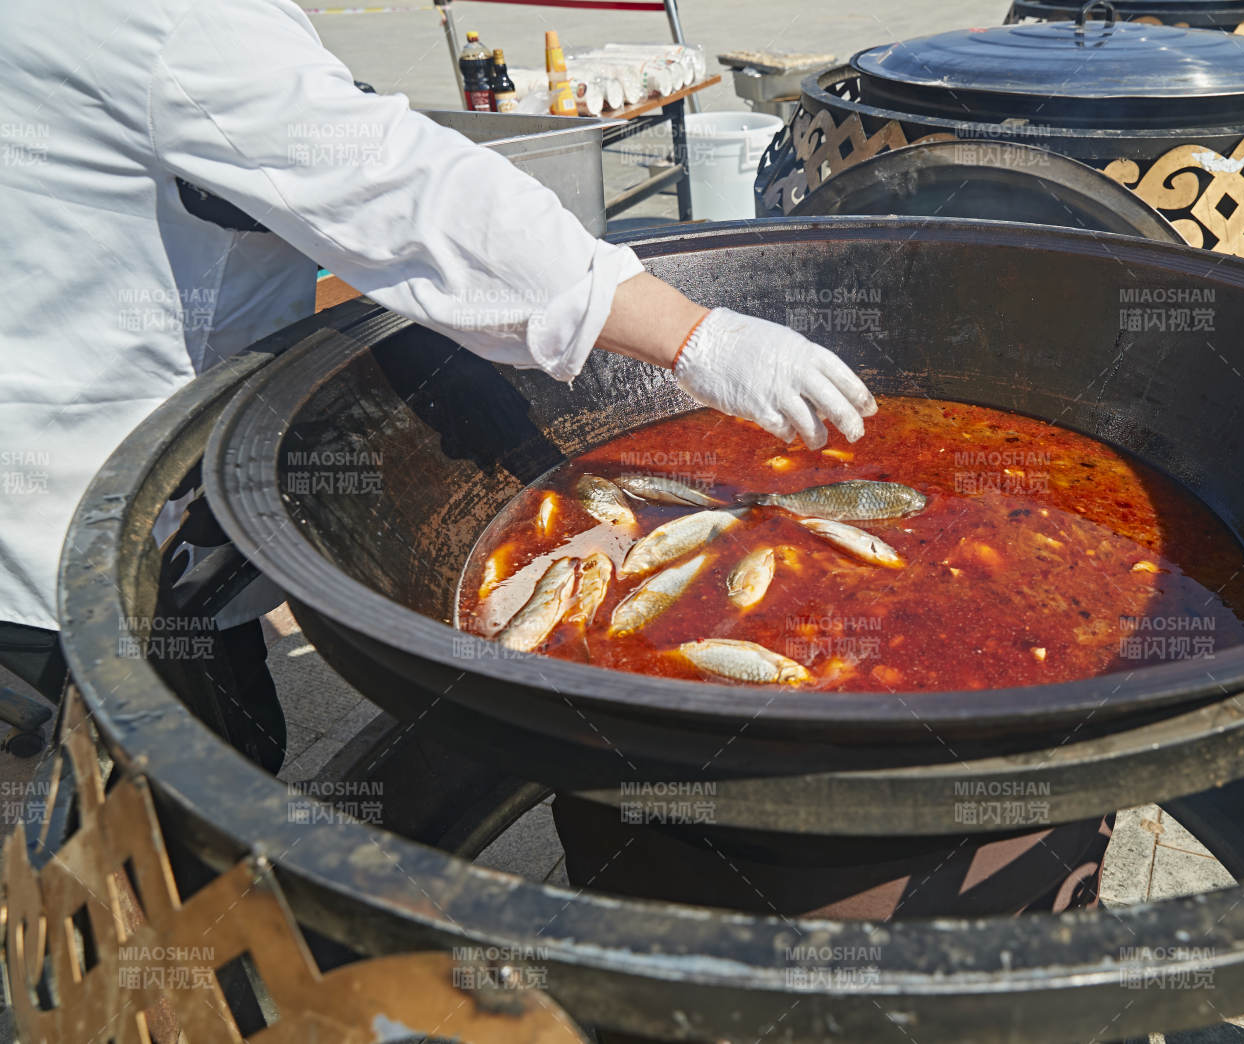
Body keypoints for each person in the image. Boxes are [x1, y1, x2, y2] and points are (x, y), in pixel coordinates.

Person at [0, 0, 875, 763]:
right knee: (160, 827)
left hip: (74, 469)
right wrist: (697, 337)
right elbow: (408, 188)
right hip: (73, 524)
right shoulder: (176, 20)